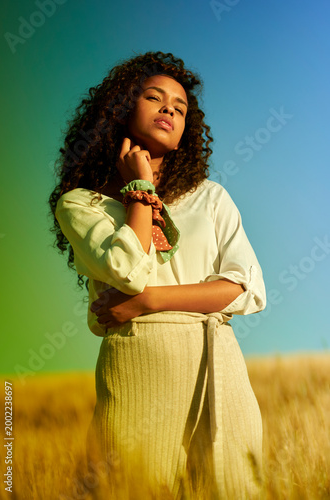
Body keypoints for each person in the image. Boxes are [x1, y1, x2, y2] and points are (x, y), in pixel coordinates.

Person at [49, 51, 266, 499]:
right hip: (138, 363)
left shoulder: (211, 197)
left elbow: (245, 288)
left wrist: (150, 301)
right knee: (131, 488)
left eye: (180, 107)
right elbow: (128, 272)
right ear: (121, 108)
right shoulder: (80, 204)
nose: (169, 108)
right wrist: (139, 189)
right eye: (154, 97)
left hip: (218, 365)